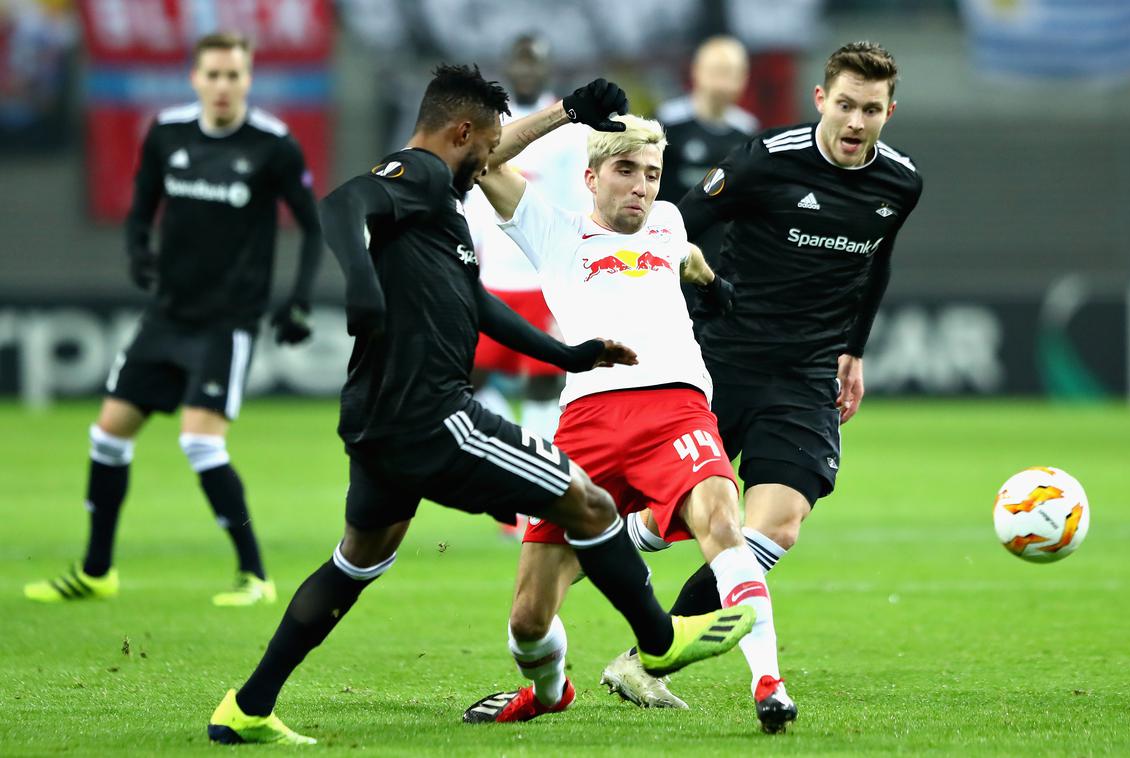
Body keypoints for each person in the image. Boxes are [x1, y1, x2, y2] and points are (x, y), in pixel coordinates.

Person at [205, 66, 754, 746]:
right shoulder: (426, 175)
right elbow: (341, 203)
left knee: (356, 562)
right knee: (588, 502)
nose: (492, 154)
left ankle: (248, 705)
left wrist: (570, 356)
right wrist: (360, 287)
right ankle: (661, 638)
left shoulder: (444, 214)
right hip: (433, 417)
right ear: (465, 133)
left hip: (376, 421)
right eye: (488, 140)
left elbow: (476, 303)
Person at [605, 40, 925, 705]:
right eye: (845, 105)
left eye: (871, 109)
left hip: (805, 374)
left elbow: (878, 262)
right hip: (718, 362)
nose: (856, 123)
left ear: (890, 110)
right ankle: (623, 541)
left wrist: (854, 350)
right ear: (820, 100)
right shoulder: (764, 160)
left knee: (775, 527)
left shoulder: (900, 183)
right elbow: (674, 224)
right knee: (660, 514)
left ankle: (644, 661)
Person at [459, 108, 795, 734]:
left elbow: (685, 250)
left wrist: (710, 282)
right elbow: (482, 157)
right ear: (590, 178)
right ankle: (550, 690)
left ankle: (768, 684)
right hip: (586, 423)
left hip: (677, 408)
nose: (642, 185)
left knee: (723, 520)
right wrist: (564, 114)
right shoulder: (552, 230)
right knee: (529, 620)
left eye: (652, 173)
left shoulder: (666, 220)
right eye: (626, 171)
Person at [23, 32, 322, 608]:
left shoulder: (273, 145)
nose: (222, 86)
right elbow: (142, 202)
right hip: (167, 315)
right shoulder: (167, 134)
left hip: (227, 320)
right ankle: (96, 571)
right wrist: (137, 247)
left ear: (248, 79)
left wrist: (299, 300)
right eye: (212, 75)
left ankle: (255, 576)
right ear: (195, 78)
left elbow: (310, 227)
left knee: (199, 442)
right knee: (107, 436)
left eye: (233, 75)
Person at [465, 33, 591, 539]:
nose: (526, 70)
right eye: (519, 61)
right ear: (507, 66)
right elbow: (472, 196)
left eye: (535, 62)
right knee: (471, 379)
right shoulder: (485, 125)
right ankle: (513, 477)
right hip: (492, 275)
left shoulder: (568, 131)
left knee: (544, 382)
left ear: (547, 68)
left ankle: (535, 492)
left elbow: (579, 199)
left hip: (542, 276)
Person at [657, 36, 759, 320]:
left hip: (720, 266)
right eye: (716, 70)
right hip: (665, 258)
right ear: (697, 71)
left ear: (744, 78)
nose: (723, 81)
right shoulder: (667, 124)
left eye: (731, 73)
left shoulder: (748, 134)